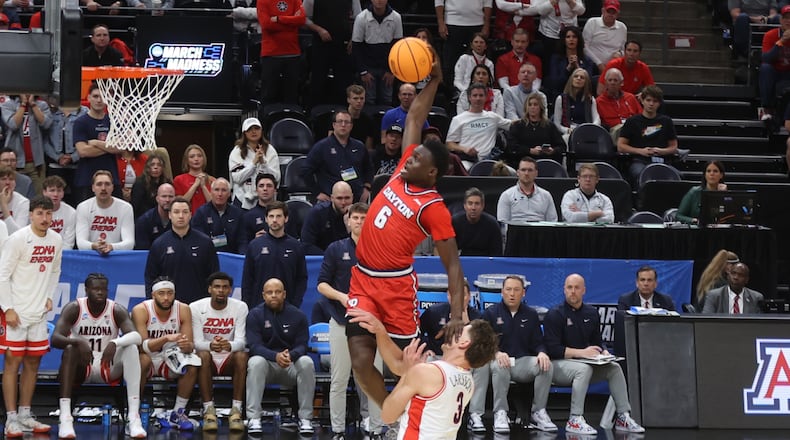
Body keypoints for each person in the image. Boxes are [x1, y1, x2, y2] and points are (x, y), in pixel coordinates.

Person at [345, 51, 468, 431]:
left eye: (416, 160)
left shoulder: (433, 207)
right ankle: (393, 419)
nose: (407, 157)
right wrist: (434, 78)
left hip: (396, 288)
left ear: (432, 172)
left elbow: (452, 264)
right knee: (361, 360)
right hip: (363, 279)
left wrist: (458, 314)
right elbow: (414, 115)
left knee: (405, 365)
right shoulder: (401, 171)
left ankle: (411, 417)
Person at [347, 309, 498, 440]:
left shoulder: (427, 373)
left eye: (461, 330)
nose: (453, 331)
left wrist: (407, 373)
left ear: (464, 343)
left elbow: (388, 415)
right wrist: (381, 332)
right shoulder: (468, 382)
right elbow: (400, 364)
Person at [543, 273, 646, 434]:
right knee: (583, 370)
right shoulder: (555, 314)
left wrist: (603, 351)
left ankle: (623, 417)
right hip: (556, 366)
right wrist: (582, 353)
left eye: (577, 288)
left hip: (584, 363)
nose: (573, 291)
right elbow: (553, 349)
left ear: (584, 290)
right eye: (569, 287)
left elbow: (596, 341)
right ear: (564, 290)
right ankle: (575, 419)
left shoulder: (591, 313)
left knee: (614, 368)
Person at [316, 202, 383, 439]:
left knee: (373, 377)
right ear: (348, 221)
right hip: (341, 321)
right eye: (355, 218)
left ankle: (376, 429)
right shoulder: (336, 249)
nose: (359, 222)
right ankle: (338, 431)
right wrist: (342, 297)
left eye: (364, 218)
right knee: (339, 379)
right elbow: (322, 284)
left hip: (371, 323)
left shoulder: (380, 249)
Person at [50, 273, 146, 439]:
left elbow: (137, 337)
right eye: (95, 289)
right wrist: (78, 342)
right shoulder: (74, 308)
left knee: (130, 348)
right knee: (70, 349)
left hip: (107, 367)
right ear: (86, 290)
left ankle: (133, 418)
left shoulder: (116, 309)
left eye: (103, 289)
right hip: (82, 367)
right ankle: (65, 418)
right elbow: (55, 338)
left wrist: (115, 343)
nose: (100, 292)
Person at [0, 195, 62, 438]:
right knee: (13, 362)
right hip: (15, 310)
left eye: (48, 214)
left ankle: (26, 414)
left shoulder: (56, 239)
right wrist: (8, 308)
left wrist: (49, 295)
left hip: (38, 312)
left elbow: (55, 270)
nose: (45, 218)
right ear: (31, 215)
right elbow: (2, 275)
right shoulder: (18, 239)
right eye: (40, 213)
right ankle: (11, 418)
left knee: (33, 363)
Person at [474, 276, 557, 433]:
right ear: (502, 292)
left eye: (516, 290)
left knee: (546, 366)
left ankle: (538, 412)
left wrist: (542, 352)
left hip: (521, 362)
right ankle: (500, 412)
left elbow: (538, 341)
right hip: (496, 361)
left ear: (523, 293)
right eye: (508, 290)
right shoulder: (490, 313)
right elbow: (482, 342)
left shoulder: (531, 314)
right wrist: (496, 353)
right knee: (501, 365)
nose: (512, 294)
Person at [246, 277, 316, 435]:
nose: (273, 295)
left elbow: (303, 345)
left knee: (307, 362)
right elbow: (254, 346)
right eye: (269, 292)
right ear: (263, 295)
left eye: (277, 292)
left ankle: (305, 419)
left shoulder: (298, 315)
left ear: (284, 294)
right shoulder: (255, 315)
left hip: (290, 365)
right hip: (267, 366)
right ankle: (254, 418)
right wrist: (275, 356)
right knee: (255, 362)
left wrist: (290, 355)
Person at [131, 277, 200, 431]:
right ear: (153, 295)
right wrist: (166, 338)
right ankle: (134, 414)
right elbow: (142, 347)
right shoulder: (140, 310)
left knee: (192, 364)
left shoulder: (183, 309)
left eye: (170, 293)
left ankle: (177, 413)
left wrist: (187, 345)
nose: (166, 297)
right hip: (148, 357)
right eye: (161, 293)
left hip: (170, 356)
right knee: (141, 361)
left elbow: (189, 345)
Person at [190, 272, 249, 432]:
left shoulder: (240, 307)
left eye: (225, 287)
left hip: (228, 357)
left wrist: (228, 345)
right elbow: (195, 343)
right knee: (202, 355)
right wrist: (210, 346)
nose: (221, 290)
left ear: (230, 290)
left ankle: (236, 410)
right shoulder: (195, 307)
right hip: (207, 356)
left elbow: (242, 341)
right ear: (210, 289)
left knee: (242, 356)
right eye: (217, 287)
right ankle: (209, 411)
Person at [145, 197, 219, 304]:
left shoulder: (205, 242)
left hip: (199, 305)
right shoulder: (159, 244)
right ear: (170, 215)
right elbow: (151, 277)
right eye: (176, 212)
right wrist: (151, 304)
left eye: (185, 212)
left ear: (190, 214)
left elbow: (214, 275)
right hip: (168, 306)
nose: (181, 216)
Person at [242, 201, 307, 308]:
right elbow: (247, 280)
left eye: (279, 216)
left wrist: (295, 304)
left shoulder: (296, 246)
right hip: (259, 307)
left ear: (286, 219)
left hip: (288, 307)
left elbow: (301, 279)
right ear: (266, 219)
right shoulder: (254, 245)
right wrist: (248, 306)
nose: (275, 220)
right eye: (271, 216)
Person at [302, 110, 374, 202]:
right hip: (330, 200)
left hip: (356, 199)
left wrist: (367, 187)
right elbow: (305, 171)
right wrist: (317, 193)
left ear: (351, 126)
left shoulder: (359, 146)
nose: (343, 125)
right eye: (340, 121)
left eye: (347, 122)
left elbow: (369, 168)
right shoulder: (321, 147)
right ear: (334, 125)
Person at [617, 85, 678, 187]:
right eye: (648, 100)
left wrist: (661, 151)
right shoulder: (632, 121)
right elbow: (621, 146)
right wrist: (640, 151)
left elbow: (673, 147)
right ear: (642, 101)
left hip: (662, 160)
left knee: (678, 175)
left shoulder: (666, 121)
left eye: (655, 101)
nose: (651, 104)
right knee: (640, 174)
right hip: (639, 160)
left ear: (659, 103)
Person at [303, 0, 361, 107]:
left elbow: (358, 18)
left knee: (344, 83)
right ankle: (315, 115)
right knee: (317, 82)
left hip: (343, 45)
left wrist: (353, 38)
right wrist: (319, 30)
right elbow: (304, 18)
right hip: (321, 44)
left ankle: (344, 115)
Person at [72, 83, 121, 203]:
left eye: (102, 96)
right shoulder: (80, 122)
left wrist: (96, 143)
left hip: (111, 178)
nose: (99, 100)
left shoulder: (113, 121)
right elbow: (83, 151)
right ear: (88, 98)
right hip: (86, 179)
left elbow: (120, 148)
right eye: (95, 96)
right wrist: (109, 146)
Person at [447, 83, 513, 169]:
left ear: (485, 98)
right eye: (475, 95)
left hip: (490, 160)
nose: (478, 98)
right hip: (467, 160)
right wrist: (464, 149)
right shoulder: (458, 119)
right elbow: (449, 144)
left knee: (512, 173)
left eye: (481, 95)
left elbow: (513, 124)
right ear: (469, 98)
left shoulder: (493, 117)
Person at [351, 0, 403, 106]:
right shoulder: (362, 18)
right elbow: (356, 46)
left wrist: (392, 70)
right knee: (368, 100)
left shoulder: (396, 17)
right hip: (368, 67)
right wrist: (363, 71)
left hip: (387, 68)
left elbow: (398, 46)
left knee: (387, 99)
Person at [435, 0, 492, 93]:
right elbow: (439, 1)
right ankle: (452, 94)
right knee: (449, 63)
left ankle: (480, 92)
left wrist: (486, 24)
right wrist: (441, 22)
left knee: (479, 61)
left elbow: (488, 2)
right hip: (452, 23)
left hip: (477, 23)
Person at [0, 93, 52, 194]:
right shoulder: (8, 105)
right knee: (12, 194)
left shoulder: (42, 105)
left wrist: (33, 105)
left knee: (38, 197)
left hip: (36, 162)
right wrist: (23, 104)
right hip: (15, 163)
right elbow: (13, 124)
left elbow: (46, 124)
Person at [257, 0, 306, 104]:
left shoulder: (295, 1)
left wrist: (279, 19)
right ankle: (266, 119)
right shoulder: (263, 1)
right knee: (269, 93)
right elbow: (266, 24)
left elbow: (301, 20)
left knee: (292, 94)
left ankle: (291, 118)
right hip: (271, 54)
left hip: (292, 53)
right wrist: (291, 23)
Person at [75, 170, 135, 253]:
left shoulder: (126, 208)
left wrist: (111, 247)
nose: (103, 188)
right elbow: (80, 243)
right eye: (99, 184)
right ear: (93, 188)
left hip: (116, 256)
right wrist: (95, 246)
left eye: (107, 184)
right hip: (91, 256)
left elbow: (129, 243)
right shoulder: (83, 207)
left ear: (113, 187)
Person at [228, 117, 280, 209]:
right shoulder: (237, 151)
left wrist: (263, 164)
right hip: (242, 200)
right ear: (244, 133)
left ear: (261, 131)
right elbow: (237, 178)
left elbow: (276, 178)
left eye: (256, 128)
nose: (253, 132)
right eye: (250, 129)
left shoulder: (270, 150)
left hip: (266, 201)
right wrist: (253, 163)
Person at [504, 94, 565, 166]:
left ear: (541, 107)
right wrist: (530, 151)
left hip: (545, 163)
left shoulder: (549, 126)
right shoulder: (517, 126)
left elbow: (562, 146)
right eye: (530, 105)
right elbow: (511, 147)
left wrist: (552, 151)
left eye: (535, 105)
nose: (532, 107)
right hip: (521, 164)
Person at [497, 156, 558, 224]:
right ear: (518, 173)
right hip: (515, 233)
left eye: (530, 170)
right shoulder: (507, 195)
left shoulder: (546, 195)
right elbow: (502, 223)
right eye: (523, 170)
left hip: (540, 233)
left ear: (536, 173)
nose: (526, 173)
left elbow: (552, 222)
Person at [191, 178, 244, 254]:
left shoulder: (237, 213)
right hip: (208, 256)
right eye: (216, 190)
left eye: (224, 190)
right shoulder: (201, 213)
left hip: (231, 256)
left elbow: (242, 240)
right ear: (211, 192)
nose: (220, 194)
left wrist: (242, 257)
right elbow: (198, 239)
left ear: (229, 194)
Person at [301, 181, 353, 255]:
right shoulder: (317, 213)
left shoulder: (357, 216)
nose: (343, 202)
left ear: (352, 197)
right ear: (332, 198)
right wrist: (329, 258)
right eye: (339, 198)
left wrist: (350, 228)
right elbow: (306, 244)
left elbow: (361, 247)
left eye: (347, 198)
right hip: (322, 259)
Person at [552, 67, 600, 143]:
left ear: (586, 82)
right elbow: (556, 124)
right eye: (576, 76)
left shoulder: (590, 99)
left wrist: (590, 128)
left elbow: (597, 119)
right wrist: (567, 130)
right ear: (571, 79)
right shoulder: (561, 99)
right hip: (569, 131)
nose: (578, 78)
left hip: (586, 131)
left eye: (582, 77)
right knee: (566, 139)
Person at [759, 6, 790, 120]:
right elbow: (766, 58)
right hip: (775, 72)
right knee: (765, 68)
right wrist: (781, 42)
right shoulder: (770, 35)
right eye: (786, 18)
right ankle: (767, 109)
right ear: (781, 20)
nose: (789, 21)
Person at [595, 67, 642, 142]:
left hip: (633, 132)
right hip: (611, 135)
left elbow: (641, 116)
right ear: (605, 83)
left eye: (615, 80)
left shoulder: (630, 98)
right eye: (610, 80)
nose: (612, 83)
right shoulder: (598, 101)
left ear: (621, 83)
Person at [547, 26, 596, 98]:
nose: (571, 39)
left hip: (581, 96)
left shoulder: (587, 60)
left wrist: (577, 68)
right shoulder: (556, 59)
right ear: (564, 40)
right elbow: (555, 83)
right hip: (561, 95)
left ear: (578, 40)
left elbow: (588, 83)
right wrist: (568, 68)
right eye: (568, 37)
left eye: (574, 37)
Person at [451, 187, 502, 256]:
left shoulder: (492, 224)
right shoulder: (454, 222)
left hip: (485, 262)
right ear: (464, 206)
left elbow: (497, 253)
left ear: (482, 206)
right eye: (470, 203)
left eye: (477, 203)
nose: (473, 208)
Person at [677, 160, 728, 224]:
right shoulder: (694, 192)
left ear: (721, 175)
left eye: (715, 171)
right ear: (705, 175)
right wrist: (694, 221)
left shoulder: (726, 194)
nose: (711, 174)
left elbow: (730, 217)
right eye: (708, 171)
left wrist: (724, 195)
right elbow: (679, 216)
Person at [583, 0, 628, 73]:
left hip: (614, 66)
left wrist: (620, 54)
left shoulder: (622, 27)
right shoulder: (592, 22)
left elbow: (623, 49)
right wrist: (599, 64)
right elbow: (584, 47)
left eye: (613, 12)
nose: (611, 14)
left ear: (618, 14)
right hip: (592, 65)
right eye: (608, 11)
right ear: (603, 11)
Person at [239, 173, 277, 254]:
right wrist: (255, 242)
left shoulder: (284, 214)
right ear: (256, 190)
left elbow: (293, 241)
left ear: (275, 190)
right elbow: (243, 245)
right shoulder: (248, 216)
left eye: (269, 186)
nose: (265, 189)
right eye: (261, 186)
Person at [173, 144, 214, 215]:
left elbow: (215, 205)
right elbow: (181, 205)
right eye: (192, 157)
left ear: (203, 159)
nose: (196, 159)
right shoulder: (179, 179)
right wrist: (195, 185)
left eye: (199, 156)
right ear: (187, 160)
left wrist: (203, 187)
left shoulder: (212, 180)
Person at [134, 183, 174, 250]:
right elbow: (142, 250)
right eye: (164, 196)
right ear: (157, 199)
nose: (167, 200)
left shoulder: (180, 219)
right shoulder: (144, 221)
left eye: (171, 196)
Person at [131, 153, 171, 219]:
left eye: (159, 165)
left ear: (163, 168)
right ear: (147, 167)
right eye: (152, 165)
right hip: (144, 218)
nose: (156, 167)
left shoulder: (167, 183)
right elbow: (135, 206)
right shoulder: (140, 183)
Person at [42, 175, 76, 249]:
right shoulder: (36, 212)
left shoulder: (71, 212)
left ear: (63, 193)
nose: (55, 194)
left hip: (62, 254)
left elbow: (68, 244)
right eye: (52, 190)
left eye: (59, 190)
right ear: (44, 192)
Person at [345, 85, 377, 151]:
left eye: (362, 98)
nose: (359, 101)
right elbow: (331, 142)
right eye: (355, 98)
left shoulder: (368, 120)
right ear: (348, 100)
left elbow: (368, 148)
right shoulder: (339, 118)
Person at [0, 166, 29, 233]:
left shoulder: (23, 202)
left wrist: (4, 205)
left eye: (11, 179)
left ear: (15, 183)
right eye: (3, 179)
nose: (7, 182)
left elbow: (18, 233)